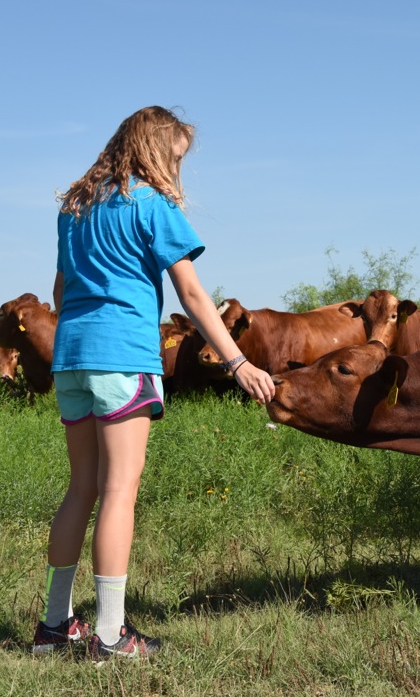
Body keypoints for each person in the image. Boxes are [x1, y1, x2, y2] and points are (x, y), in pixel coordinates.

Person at [31, 105, 275, 658]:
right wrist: (237, 362)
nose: (177, 167)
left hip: (71, 358)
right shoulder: (151, 204)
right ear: (153, 150)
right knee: (119, 491)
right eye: (175, 155)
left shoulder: (76, 207)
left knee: (81, 487)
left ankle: (53, 626)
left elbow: (62, 290)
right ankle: (112, 635)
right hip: (122, 356)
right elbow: (191, 295)